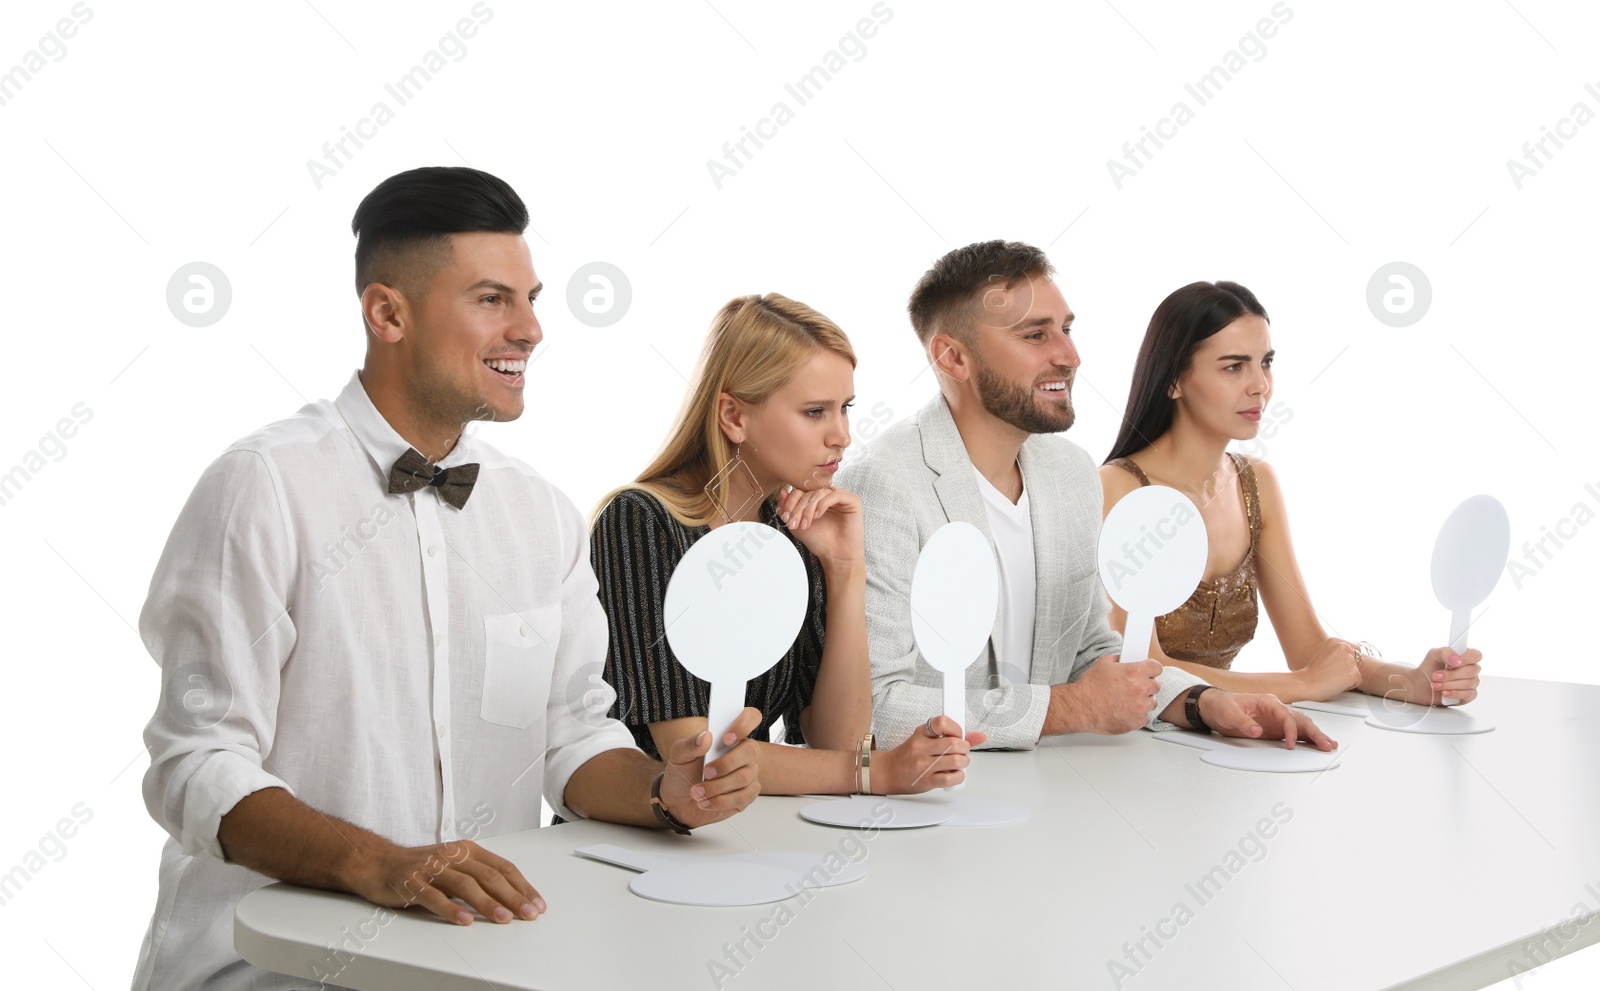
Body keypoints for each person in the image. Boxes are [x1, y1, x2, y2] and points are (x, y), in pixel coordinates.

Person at [131, 167, 762, 991]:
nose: (532, 329)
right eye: (494, 299)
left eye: (533, 298)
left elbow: (573, 735)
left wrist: (663, 791)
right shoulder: (262, 486)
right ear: (388, 313)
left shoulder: (538, 513)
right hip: (267, 970)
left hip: (471, 962)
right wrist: (380, 862)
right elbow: (197, 761)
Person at [837, 241, 1336, 752]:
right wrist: (1068, 708)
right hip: (931, 805)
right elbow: (873, 705)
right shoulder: (884, 485)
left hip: (1058, 793)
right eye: (1036, 335)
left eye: (1067, 329)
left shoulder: (1070, 473)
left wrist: (1200, 702)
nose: (1069, 357)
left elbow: (1091, 652)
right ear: (953, 357)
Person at [589, 293, 986, 798]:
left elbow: (840, 740)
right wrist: (877, 773)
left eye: (845, 409)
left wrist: (845, 567)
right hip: (632, 840)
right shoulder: (639, 522)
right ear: (734, 416)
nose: (842, 435)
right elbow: (695, 754)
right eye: (815, 411)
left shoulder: (792, 530)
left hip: (747, 831)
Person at [1099, 280, 1483, 704]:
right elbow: (1141, 668)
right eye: (1233, 367)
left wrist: (1412, 682)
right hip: (1131, 745)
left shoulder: (1255, 483)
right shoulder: (1119, 489)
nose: (1260, 385)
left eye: (1265, 362)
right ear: (1173, 380)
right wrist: (1302, 686)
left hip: (1220, 738)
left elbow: (1310, 650)